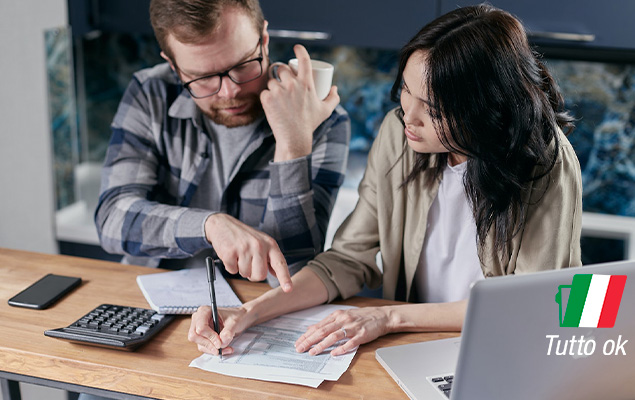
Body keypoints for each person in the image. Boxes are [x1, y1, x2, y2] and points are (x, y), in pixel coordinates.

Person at [188, 4, 582, 358]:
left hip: (501, 349)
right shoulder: (399, 134)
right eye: (406, 92)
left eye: (432, 109)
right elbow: (346, 259)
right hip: (411, 347)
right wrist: (250, 312)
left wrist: (389, 318)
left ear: (485, 110)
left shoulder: (546, 162)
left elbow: (528, 305)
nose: (407, 116)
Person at [94, 0, 351, 290]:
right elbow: (112, 219)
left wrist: (292, 146)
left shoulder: (323, 119)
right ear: (174, 66)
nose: (231, 92)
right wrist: (209, 226)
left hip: (259, 310)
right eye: (202, 77)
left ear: (263, 41)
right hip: (152, 296)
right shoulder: (151, 93)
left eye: (242, 66)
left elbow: (294, 274)